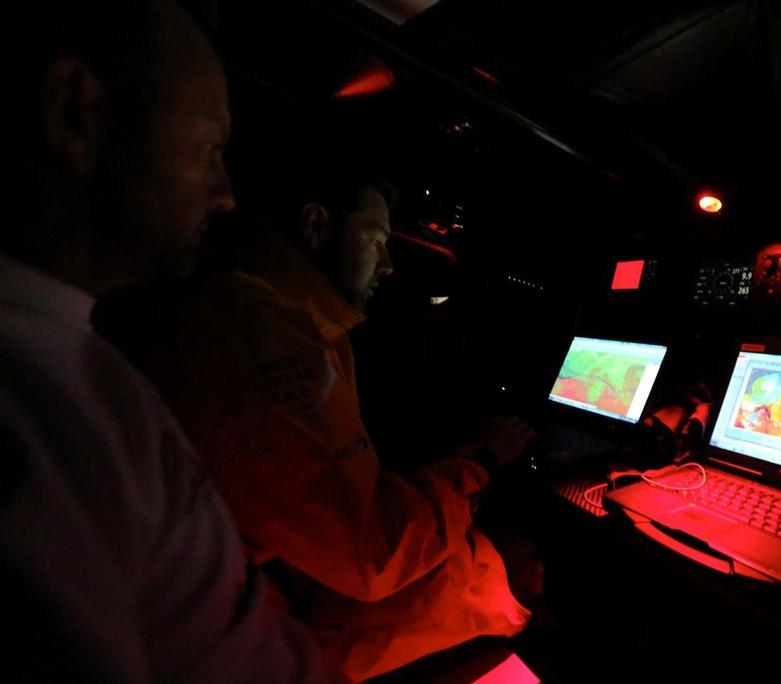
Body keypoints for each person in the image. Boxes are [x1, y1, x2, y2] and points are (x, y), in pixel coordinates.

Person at [0, 2, 339, 681]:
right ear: (75, 114)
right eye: (210, 147)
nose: (226, 194)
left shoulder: (72, 359)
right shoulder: (33, 420)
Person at [101, 172, 537, 681]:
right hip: (196, 626)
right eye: (375, 239)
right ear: (315, 225)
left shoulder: (271, 312)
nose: (389, 263)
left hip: (205, 590)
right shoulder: (263, 337)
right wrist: (478, 465)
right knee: (509, 576)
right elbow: (373, 553)